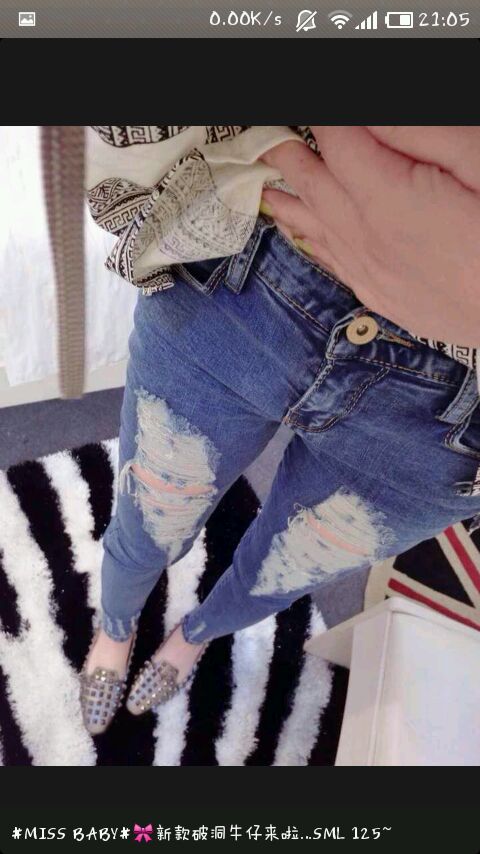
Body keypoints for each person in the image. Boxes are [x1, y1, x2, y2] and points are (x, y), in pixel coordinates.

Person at [79, 126, 480, 735]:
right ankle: (115, 626)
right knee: (147, 523)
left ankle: (195, 635)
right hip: (249, 268)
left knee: (274, 577)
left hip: (447, 431)